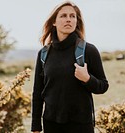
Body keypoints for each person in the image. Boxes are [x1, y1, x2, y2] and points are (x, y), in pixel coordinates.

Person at [31, 1, 109, 133]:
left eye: (73, 16)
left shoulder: (88, 50)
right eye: (63, 16)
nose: (69, 19)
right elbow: (38, 93)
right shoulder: (44, 53)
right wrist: (36, 127)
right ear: (54, 22)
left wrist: (87, 79)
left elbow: (103, 86)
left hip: (81, 125)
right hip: (51, 125)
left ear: (76, 21)